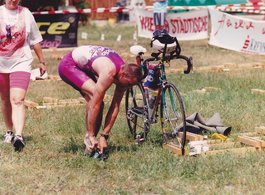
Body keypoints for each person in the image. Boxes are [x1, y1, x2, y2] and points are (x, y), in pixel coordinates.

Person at [58, 45, 142, 159]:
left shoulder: (125, 76)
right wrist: (91, 134)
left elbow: (115, 106)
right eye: (128, 84)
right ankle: (90, 139)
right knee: (96, 98)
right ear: (123, 74)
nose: (128, 87)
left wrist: (104, 136)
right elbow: (94, 105)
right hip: (69, 65)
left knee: (99, 101)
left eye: (131, 85)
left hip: (85, 65)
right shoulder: (109, 72)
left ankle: (94, 143)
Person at [0, 0, 46, 152]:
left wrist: (42, 61)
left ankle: (18, 136)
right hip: (1, 64)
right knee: (6, 99)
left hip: (21, 62)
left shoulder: (26, 13)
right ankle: (9, 131)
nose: (13, 0)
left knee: (18, 99)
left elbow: (35, 39)